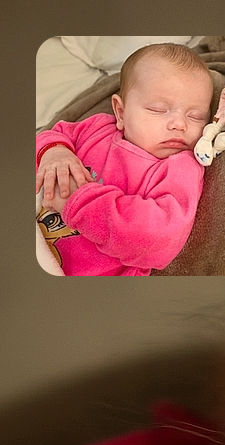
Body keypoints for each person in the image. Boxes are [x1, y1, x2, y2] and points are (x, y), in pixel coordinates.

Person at [35, 43, 212, 276]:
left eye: (196, 116)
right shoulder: (96, 127)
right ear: (120, 112)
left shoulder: (180, 167)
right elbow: (52, 134)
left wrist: (76, 203)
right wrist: (55, 152)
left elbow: (158, 238)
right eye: (158, 109)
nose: (180, 124)